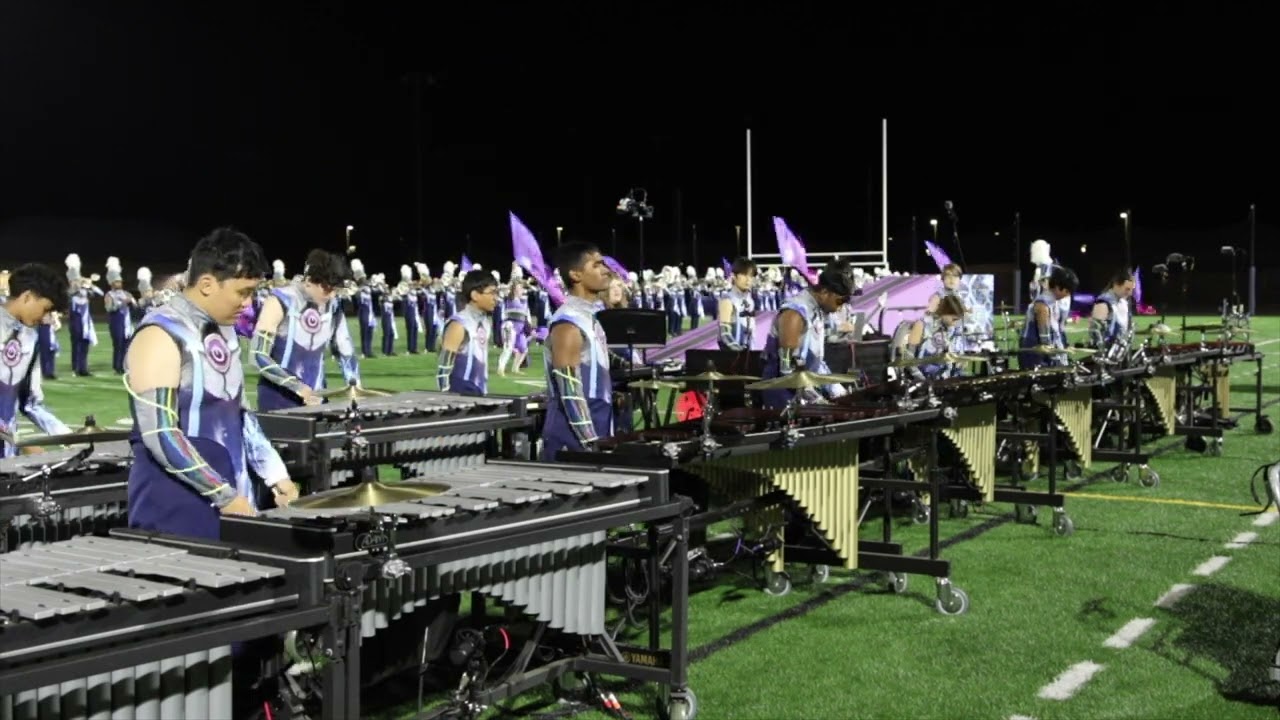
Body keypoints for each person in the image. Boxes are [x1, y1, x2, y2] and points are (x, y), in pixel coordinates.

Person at [125, 227, 297, 539]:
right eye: (242, 292)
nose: (248, 304)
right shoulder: (159, 334)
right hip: (176, 509)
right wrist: (223, 494)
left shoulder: (225, 329)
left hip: (233, 499)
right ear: (207, 284)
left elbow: (240, 414)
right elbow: (160, 434)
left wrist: (275, 475)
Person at [250, 249, 360, 411]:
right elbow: (258, 355)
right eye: (326, 289)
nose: (330, 296)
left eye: (334, 290)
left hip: (317, 399)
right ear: (309, 281)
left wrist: (355, 386)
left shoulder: (334, 307)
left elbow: (345, 350)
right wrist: (298, 387)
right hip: (277, 401)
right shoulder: (280, 300)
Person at [541, 242, 614, 461]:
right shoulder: (568, 321)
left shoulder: (589, 317)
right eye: (597, 265)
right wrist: (591, 443)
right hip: (571, 437)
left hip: (597, 424)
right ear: (575, 274)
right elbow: (569, 390)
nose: (606, 270)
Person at [0, 264, 75, 457]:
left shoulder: (30, 338)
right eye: (45, 309)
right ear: (27, 297)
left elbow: (30, 403)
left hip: (6, 455)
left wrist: (69, 438)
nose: (45, 319)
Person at [760, 261, 856, 409]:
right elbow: (787, 371)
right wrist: (816, 399)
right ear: (824, 292)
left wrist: (838, 391)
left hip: (803, 386)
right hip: (782, 393)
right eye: (839, 301)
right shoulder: (795, 313)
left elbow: (817, 364)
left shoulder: (817, 312)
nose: (839, 308)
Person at [436, 269, 499, 396]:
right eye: (492, 293)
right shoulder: (459, 324)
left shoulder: (485, 322)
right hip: (460, 395)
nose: (496, 298)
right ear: (475, 295)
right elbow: (443, 368)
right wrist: (447, 399)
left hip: (479, 391)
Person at [1020, 265, 1078, 370]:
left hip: (1041, 349)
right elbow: (1045, 340)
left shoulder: (1053, 303)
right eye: (1067, 291)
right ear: (1057, 286)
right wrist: (1057, 353)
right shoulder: (1043, 305)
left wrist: (1065, 345)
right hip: (1034, 350)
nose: (1067, 295)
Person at [905, 295, 967, 380]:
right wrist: (922, 380)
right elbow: (908, 358)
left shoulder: (951, 330)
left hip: (946, 381)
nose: (955, 323)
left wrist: (960, 362)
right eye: (954, 319)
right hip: (922, 382)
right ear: (944, 312)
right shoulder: (921, 325)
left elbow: (954, 355)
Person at [64, 253, 103, 376]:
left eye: (76, 280)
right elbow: (70, 294)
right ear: (70, 281)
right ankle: (75, 368)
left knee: (85, 343)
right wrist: (79, 285)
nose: (75, 282)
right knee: (77, 344)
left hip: (86, 321)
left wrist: (90, 284)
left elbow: (100, 293)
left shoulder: (85, 290)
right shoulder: (70, 291)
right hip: (75, 320)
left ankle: (83, 368)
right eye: (73, 280)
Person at [103, 257, 137, 375]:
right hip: (116, 322)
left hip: (126, 322)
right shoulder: (109, 295)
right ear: (112, 283)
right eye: (117, 282)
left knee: (127, 344)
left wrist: (132, 303)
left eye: (120, 281)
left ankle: (124, 365)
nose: (119, 283)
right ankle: (117, 367)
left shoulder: (126, 293)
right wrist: (122, 303)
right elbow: (109, 308)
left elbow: (135, 307)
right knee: (118, 344)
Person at [718, 257, 757, 351]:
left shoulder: (750, 301)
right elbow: (724, 335)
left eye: (751, 275)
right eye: (744, 274)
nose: (748, 279)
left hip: (747, 357)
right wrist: (740, 352)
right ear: (734, 276)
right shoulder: (727, 300)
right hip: (730, 358)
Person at [1089, 271, 1136, 349]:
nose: (1130, 293)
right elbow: (1095, 331)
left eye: (1132, 290)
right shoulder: (1103, 303)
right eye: (1127, 289)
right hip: (1108, 353)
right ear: (1116, 284)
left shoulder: (1123, 302)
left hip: (1120, 351)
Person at [498, 280, 533, 376]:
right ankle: (501, 368)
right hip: (510, 326)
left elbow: (526, 316)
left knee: (524, 349)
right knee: (508, 348)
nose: (520, 290)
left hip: (520, 329)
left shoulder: (524, 300)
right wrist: (510, 285)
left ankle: (515, 368)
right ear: (513, 290)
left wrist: (529, 327)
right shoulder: (510, 298)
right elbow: (500, 289)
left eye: (521, 288)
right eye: (518, 288)